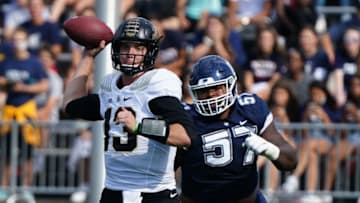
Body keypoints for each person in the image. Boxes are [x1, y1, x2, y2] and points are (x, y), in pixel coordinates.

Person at [62, 17, 195, 203]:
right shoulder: (111, 86)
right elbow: (70, 104)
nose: (130, 53)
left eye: (138, 48)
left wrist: (140, 127)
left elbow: (184, 136)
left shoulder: (157, 83)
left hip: (153, 193)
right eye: (125, 47)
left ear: (150, 51)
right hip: (113, 192)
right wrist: (87, 57)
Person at [175, 55, 297, 203]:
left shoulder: (251, 108)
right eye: (203, 91)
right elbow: (164, 170)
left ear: (231, 85)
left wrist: (270, 150)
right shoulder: (186, 118)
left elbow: (290, 161)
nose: (211, 95)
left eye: (217, 88)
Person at [0, 27, 48, 201]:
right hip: (9, 112)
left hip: (26, 111)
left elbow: (44, 85)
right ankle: (4, 187)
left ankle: (27, 188)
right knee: (5, 154)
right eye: (15, 39)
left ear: (27, 41)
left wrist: (24, 88)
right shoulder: (5, 62)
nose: (17, 43)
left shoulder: (34, 63)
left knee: (27, 154)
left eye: (21, 39)